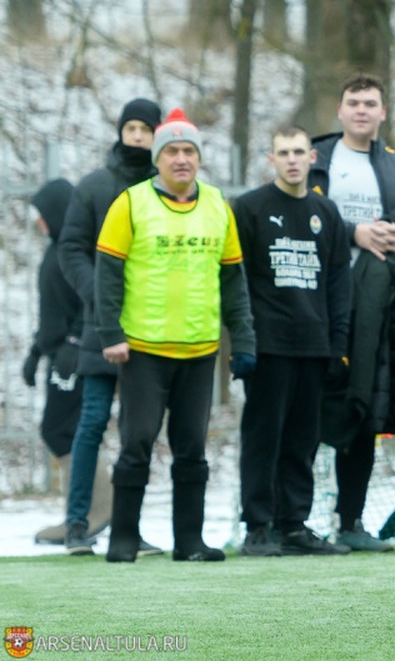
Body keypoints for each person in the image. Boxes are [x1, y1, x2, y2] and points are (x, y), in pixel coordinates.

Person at [95, 108, 257, 563]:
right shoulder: (130, 203)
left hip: (200, 348)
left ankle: (189, 542)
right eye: (172, 151)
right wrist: (110, 332)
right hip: (142, 349)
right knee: (137, 442)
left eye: (189, 150)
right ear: (157, 156)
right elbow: (106, 275)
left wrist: (243, 340)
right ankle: (123, 539)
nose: (181, 158)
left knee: (192, 449)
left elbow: (234, 282)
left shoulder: (217, 205)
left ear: (199, 158)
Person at [310, 72, 395, 552]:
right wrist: (354, 233)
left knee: (362, 414)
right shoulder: (314, 161)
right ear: (340, 111)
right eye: (353, 102)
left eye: (370, 103)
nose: (361, 110)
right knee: (305, 412)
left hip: (381, 310)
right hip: (317, 306)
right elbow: (293, 216)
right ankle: (286, 523)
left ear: (383, 112)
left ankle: (350, 523)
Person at [233, 125, 353, 556]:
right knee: (264, 436)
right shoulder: (248, 208)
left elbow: (339, 283)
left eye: (299, 151)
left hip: (314, 343)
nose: (292, 159)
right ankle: (257, 526)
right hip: (267, 345)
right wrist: (242, 341)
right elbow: (237, 280)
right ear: (271, 159)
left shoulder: (328, 213)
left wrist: (338, 342)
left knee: (304, 439)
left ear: (312, 158)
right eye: (283, 152)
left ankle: (294, 524)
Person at [55, 98, 165, 557]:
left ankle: (128, 528)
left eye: (146, 128)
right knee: (93, 422)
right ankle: (77, 525)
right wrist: (98, 295)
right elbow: (71, 249)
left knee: (138, 431)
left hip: (155, 328)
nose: (137, 135)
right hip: (103, 326)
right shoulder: (95, 186)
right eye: (131, 127)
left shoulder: (170, 192)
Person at [24, 179, 84, 542]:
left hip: (73, 358)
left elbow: (89, 301)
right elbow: (51, 315)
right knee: (60, 429)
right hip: (56, 355)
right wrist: (35, 353)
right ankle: (82, 512)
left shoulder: (74, 253)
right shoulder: (54, 251)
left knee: (63, 429)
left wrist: (75, 343)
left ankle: (93, 511)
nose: (38, 222)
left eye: (43, 214)